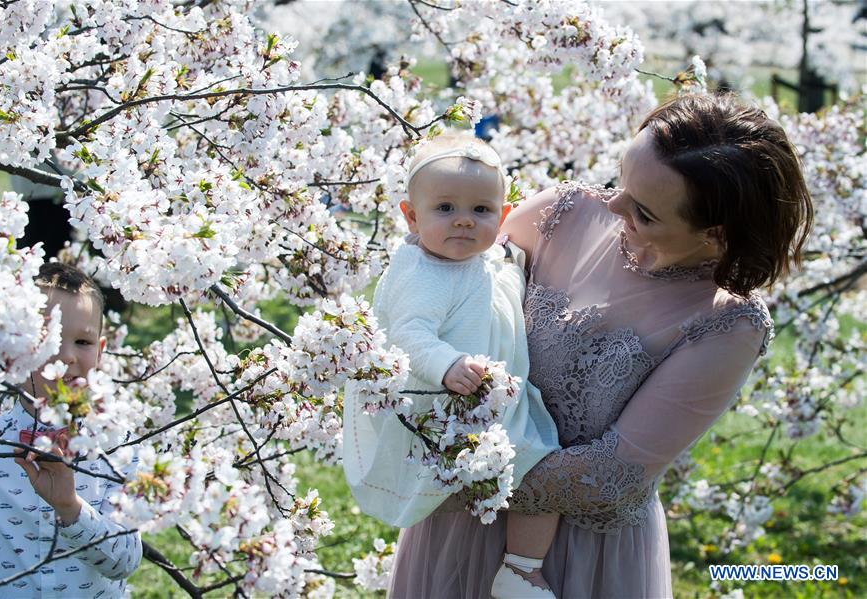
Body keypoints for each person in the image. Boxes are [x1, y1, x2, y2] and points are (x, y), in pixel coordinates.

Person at [388, 93, 814, 598]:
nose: (612, 205)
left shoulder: (726, 325)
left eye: (645, 211)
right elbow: (442, 289)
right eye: (621, 180)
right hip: (454, 527)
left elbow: (611, 476)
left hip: (580, 556)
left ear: (716, 234)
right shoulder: (560, 214)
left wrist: (456, 471)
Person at [342, 132, 564, 598]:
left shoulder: (486, 257)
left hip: (492, 395)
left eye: (480, 211)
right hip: (451, 397)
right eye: (445, 209)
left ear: (503, 217)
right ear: (410, 215)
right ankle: (521, 567)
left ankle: (521, 566)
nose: (464, 222)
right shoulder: (424, 273)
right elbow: (408, 334)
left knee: (541, 464)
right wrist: (446, 364)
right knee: (538, 464)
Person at [0, 262, 143, 598]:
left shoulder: (119, 444)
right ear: (13, 349)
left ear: (101, 352)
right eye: (49, 340)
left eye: (82, 342)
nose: (67, 356)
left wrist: (70, 508)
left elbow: (127, 560)